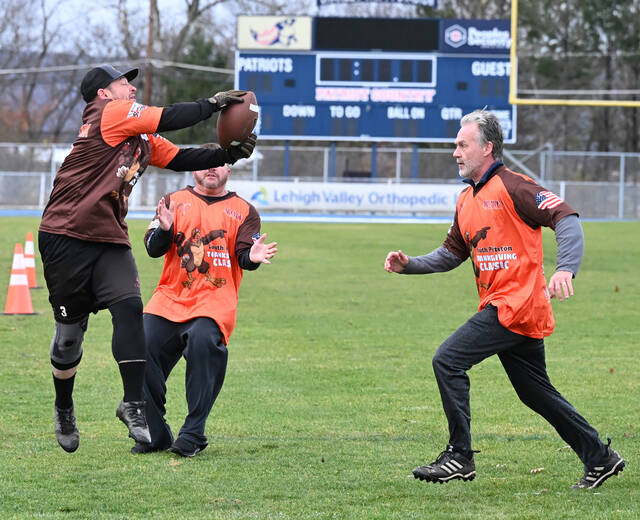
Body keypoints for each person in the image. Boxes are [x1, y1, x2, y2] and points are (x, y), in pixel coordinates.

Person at [384, 110, 625, 489]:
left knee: (447, 360)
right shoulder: (466, 199)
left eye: (463, 145)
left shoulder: (515, 186)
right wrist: (409, 265)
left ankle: (459, 456)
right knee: (535, 393)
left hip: (517, 304)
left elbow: (566, 217)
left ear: (487, 147)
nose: (455, 153)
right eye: (455, 145)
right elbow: (451, 253)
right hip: (506, 307)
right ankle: (599, 456)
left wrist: (566, 268)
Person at [38, 63, 257, 453]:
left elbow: (180, 158)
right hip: (66, 234)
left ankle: (133, 405)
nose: (131, 89)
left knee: (131, 306)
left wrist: (227, 154)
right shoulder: (110, 114)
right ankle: (63, 405)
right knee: (69, 337)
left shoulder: (137, 138)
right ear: (104, 93)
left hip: (108, 236)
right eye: (124, 83)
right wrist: (210, 105)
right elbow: (169, 117)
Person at [132, 147, 277, 456]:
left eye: (220, 163)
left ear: (229, 169)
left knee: (202, 340)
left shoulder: (244, 210)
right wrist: (166, 229)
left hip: (213, 302)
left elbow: (243, 254)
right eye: (206, 163)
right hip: (169, 299)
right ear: (194, 168)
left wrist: (250, 258)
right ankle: (155, 434)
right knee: (139, 344)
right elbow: (151, 247)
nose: (213, 168)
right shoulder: (172, 202)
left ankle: (193, 433)